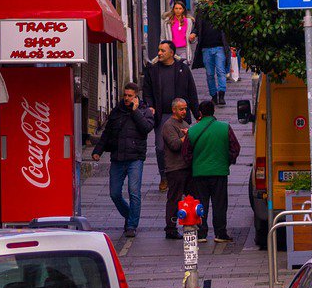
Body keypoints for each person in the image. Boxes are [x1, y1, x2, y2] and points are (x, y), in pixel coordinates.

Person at [92, 83, 155, 237]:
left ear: (136, 97)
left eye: (129, 96)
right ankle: (129, 215)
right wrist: (98, 150)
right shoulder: (117, 111)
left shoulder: (145, 111)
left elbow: (146, 128)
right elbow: (107, 133)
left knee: (134, 193)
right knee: (114, 193)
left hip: (135, 158)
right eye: (125, 95)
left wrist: (135, 112)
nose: (126, 98)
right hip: (118, 157)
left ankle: (132, 225)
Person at [142, 40, 199, 192]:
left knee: (183, 145)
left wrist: (197, 112)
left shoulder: (182, 69)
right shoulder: (153, 70)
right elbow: (146, 92)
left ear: (172, 53)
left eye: (162, 51)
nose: (159, 53)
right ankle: (164, 176)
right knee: (161, 148)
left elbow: (192, 92)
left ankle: (184, 176)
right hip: (162, 115)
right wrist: (150, 106)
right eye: (159, 50)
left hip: (181, 116)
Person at [188, 100, 241, 244]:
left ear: (200, 113)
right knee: (220, 204)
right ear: (213, 112)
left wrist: (195, 163)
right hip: (219, 172)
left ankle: (201, 233)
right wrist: (226, 161)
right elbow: (235, 148)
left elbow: (186, 153)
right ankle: (220, 233)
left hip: (199, 173)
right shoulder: (224, 127)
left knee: (201, 203)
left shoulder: (193, 130)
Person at [159, 98, 192, 240]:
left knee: (190, 197)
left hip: (187, 167)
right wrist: (187, 136)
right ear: (174, 110)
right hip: (175, 168)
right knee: (174, 198)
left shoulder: (185, 124)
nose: (184, 112)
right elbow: (174, 145)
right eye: (181, 109)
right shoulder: (168, 125)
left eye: (185, 109)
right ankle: (170, 228)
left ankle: (191, 224)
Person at [193, 3, 228, 105]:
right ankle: (214, 95)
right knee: (209, 74)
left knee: (221, 71)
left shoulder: (221, 10)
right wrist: (193, 33)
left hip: (219, 47)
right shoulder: (201, 12)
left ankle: (221, 95)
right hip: (206, 48)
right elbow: (197, 27)